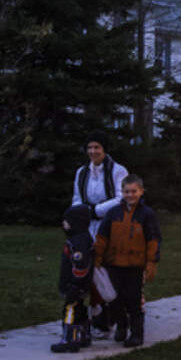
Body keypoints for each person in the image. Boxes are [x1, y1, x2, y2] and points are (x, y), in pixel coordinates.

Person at [94, 175, 160, 348]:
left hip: (135, 266)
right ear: (121, 192)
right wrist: (98, 258)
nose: (130, 195)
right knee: (115, 300)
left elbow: (153, 239)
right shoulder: (113, 213)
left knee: (134, 301)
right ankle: (121, 328)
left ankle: (137, 334)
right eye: (126, 191)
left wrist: (151, 262)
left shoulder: (147, 214)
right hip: (113, 264)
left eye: (134, 191)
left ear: (141, 191)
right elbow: (102, 237)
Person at [71, 137, 128, 332]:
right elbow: (77, 198)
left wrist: (97, 210)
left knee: (109, 269)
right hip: (88, 227)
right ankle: (97, 311)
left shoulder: (117, 170)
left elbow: (122, 198)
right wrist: (81, 214)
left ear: (104, 149)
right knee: (91, 269)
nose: (93, 151)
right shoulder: (82, 172)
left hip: (110, 224)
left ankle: (117, 312)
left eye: (97, 147)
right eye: (89, 147)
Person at [50, 204, 95, 353]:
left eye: (66, 220)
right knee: (80, 308)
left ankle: (69, 339)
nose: (63, 223)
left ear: (76, 222)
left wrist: (75, 285)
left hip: (76, 285)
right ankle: (84, 335)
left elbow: (81, 266)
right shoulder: (80, 238)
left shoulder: (78, 242)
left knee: (70, 310)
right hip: (79, 285)